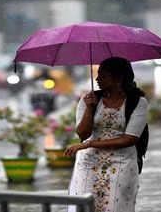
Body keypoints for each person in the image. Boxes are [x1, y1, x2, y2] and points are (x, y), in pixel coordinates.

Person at [64, 57, 149, 212]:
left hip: (121, 162)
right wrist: (90, 108)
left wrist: (90, 144)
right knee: (84, 208)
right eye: (98, 74)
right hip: (89, 163)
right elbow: (82, 134)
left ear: (119, 78)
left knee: (115, 207)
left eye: (103, 75)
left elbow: (130, 139)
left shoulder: (137, 102)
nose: (97, 78)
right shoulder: (89, 100)